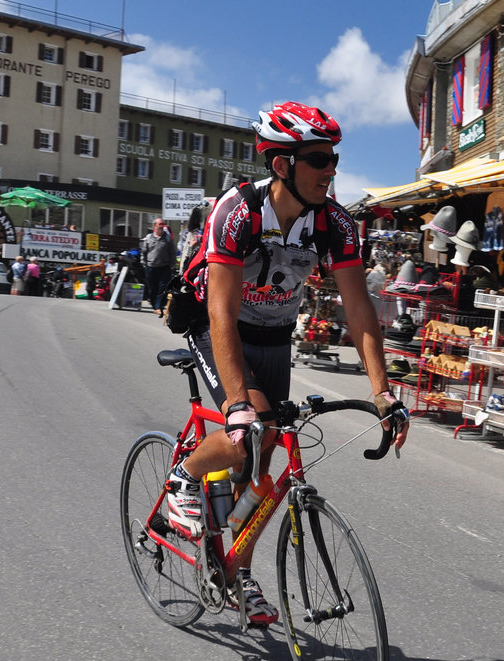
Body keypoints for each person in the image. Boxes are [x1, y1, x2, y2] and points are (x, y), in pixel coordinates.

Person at [165, 102, 409, 626]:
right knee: (243, 432)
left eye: (334, 157)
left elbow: (360, 310)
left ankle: (237, 575)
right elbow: (222, 313)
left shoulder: (336, 223)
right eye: (319, 158)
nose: (332, 168)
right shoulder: (237, 213)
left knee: (262, 465)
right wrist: (235, 405)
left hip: (275, 338)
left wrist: (383, 392)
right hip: (217, 329)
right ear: (282, 165)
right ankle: (186, 475)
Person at [140, 218, 176, 317]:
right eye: (159, 224)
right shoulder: (148, 238)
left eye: (163, 224)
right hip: (151, 267)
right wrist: (144, 263)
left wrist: (171, 265)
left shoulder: (167, 238)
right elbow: (144, 252)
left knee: (162, 289)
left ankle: (158, 307)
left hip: (164, 268)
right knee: (152, 289)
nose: (161, 226)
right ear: (154, 226)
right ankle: (154, 305)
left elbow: (172, 253)